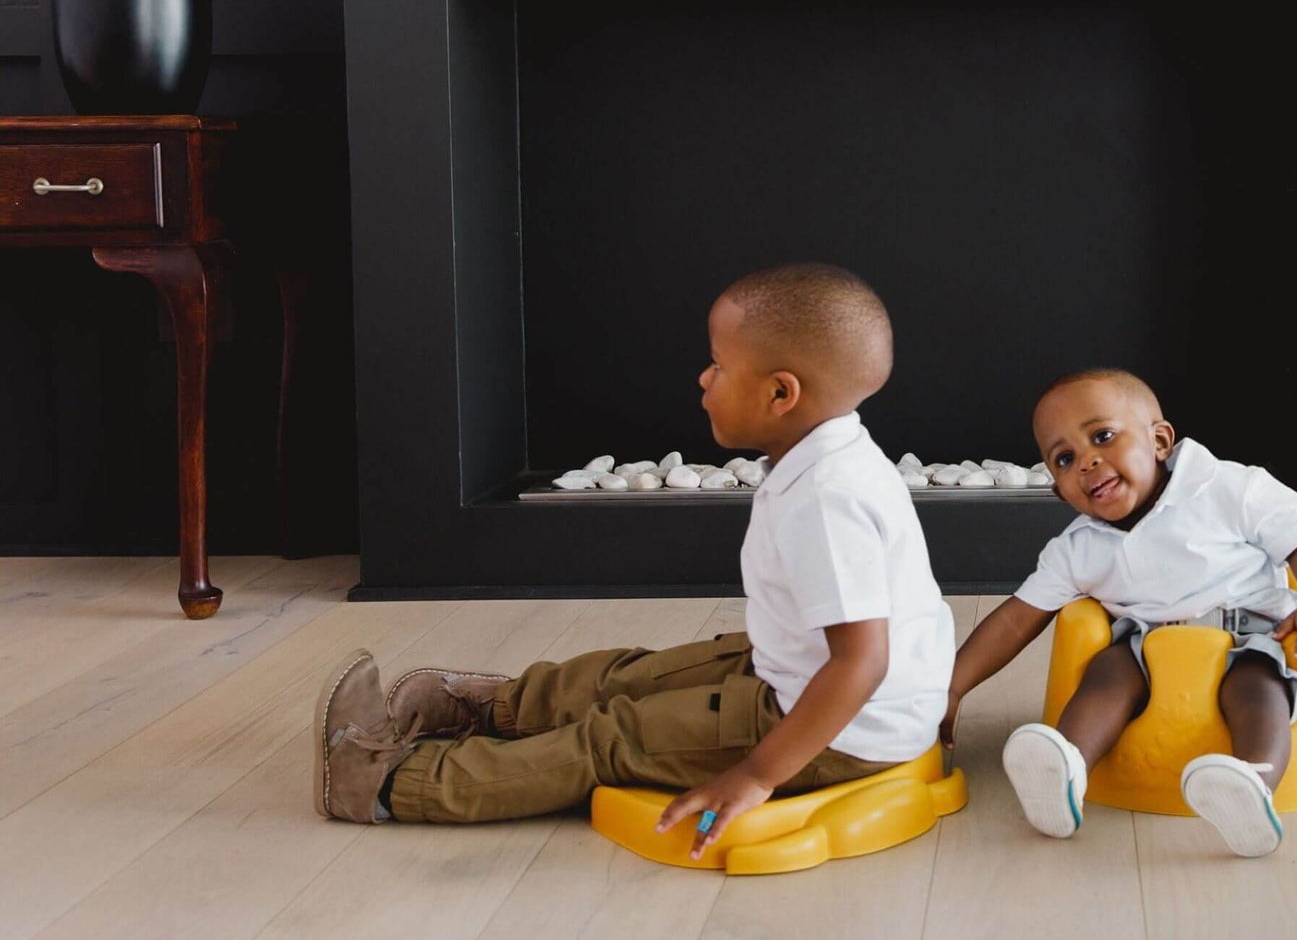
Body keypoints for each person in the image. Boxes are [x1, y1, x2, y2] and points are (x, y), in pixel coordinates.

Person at [314, 262, 956, 859]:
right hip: (812, 680)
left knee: (611, 738)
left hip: (842, 734)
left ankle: (387, 783)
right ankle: (496, 710)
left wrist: (756, 775)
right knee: (635, 674)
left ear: (781, 394)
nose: (704, 379)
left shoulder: (828, 498)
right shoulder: (826, 452)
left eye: (718, 366)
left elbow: (861, 661)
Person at [939, 368, 1297, 858]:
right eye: (1064, 459)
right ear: (1057, 489)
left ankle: (1252, 783)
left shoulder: (1227, 486)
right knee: (1105, 671)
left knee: (1258, 692)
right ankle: (1065, 767)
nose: (1087, 461)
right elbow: (1017, 618)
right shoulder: (1077, 548)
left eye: (1102, 436)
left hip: (1249, 634)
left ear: (1159, 440)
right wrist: (952, 686)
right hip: (1146, 647)